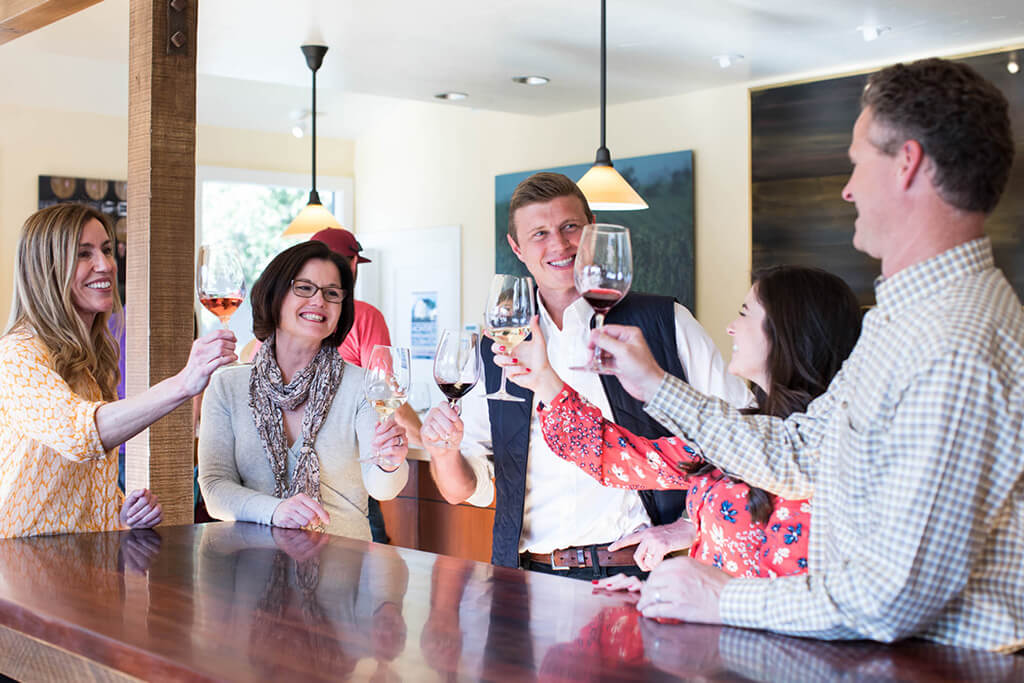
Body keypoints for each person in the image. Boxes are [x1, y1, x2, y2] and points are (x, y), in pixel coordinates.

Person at [584, 58, 1024, 654]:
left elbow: (892, 595)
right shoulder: (905, 322)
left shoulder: (953, 343)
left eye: (856, 162)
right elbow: (796, 454)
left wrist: (721, 598)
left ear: (908, 163)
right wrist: (657, 386)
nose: (847, 189)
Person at [420, 171, 750, 579]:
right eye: (539, 234)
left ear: (592, 230)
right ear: (516, 248)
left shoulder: (666, 321)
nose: (559, 245)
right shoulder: (496, 347)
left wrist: (687, 526)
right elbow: (465, 489)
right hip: (529, 577)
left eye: (570, 227)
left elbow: (745, 429)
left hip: (638, 573)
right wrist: (443, 453)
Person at [499, 266, 862, 582]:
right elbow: (617, 458)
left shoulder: (838, 443)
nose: (730, 328)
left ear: (787, 329)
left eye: (744, 313)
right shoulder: (736, 432)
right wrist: (544, 380)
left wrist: (653, 382)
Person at [0, 203, 236, 539]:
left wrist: (120, 512)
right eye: (84, 254)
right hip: (22, 558)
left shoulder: (88, 359)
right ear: (45, 270)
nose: (105, 265)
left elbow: (73, 476)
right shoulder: (17, 353)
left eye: (107, 250)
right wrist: (185, 382)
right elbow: (80, 435)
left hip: (81, 560)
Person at [198, 240, 410, 538]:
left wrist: (391, 462)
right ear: (274, 295)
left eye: (332, 293)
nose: (319, 300)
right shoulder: (227, 386)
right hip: (250, 561)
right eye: (304, 288)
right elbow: (214, 488)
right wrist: (275, 511)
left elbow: (382, 489)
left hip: (345, 561)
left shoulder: (365, 385)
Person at [309, 227, 424, 544]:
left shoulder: (293, 317)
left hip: (297, 463)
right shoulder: (365, 316)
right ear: (353, 264)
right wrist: (422, 437)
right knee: (371, 552)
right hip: (352, 458)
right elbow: (383, 389)